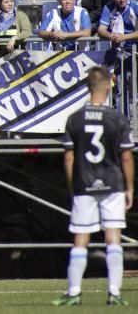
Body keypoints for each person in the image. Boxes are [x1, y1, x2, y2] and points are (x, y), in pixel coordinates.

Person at [52, 66, 133, 307]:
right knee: (113, 239)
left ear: (88, 87)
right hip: (113, 183)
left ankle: (74, 291)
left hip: (84, 184)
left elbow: (68, 157)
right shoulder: (117, 118)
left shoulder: (74, 119)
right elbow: (126, 156)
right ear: (108, 86)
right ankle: (114, 293)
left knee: (80, 240)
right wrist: (130, 188)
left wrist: (71, 186)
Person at [97, 0, 138, 109]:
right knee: (121, 87)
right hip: (121, 52)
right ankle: (123, 121)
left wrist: (124, 37)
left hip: (135, 49)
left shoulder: (135, 6)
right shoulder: (108, 8)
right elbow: (101, 29)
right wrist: (111, 35)